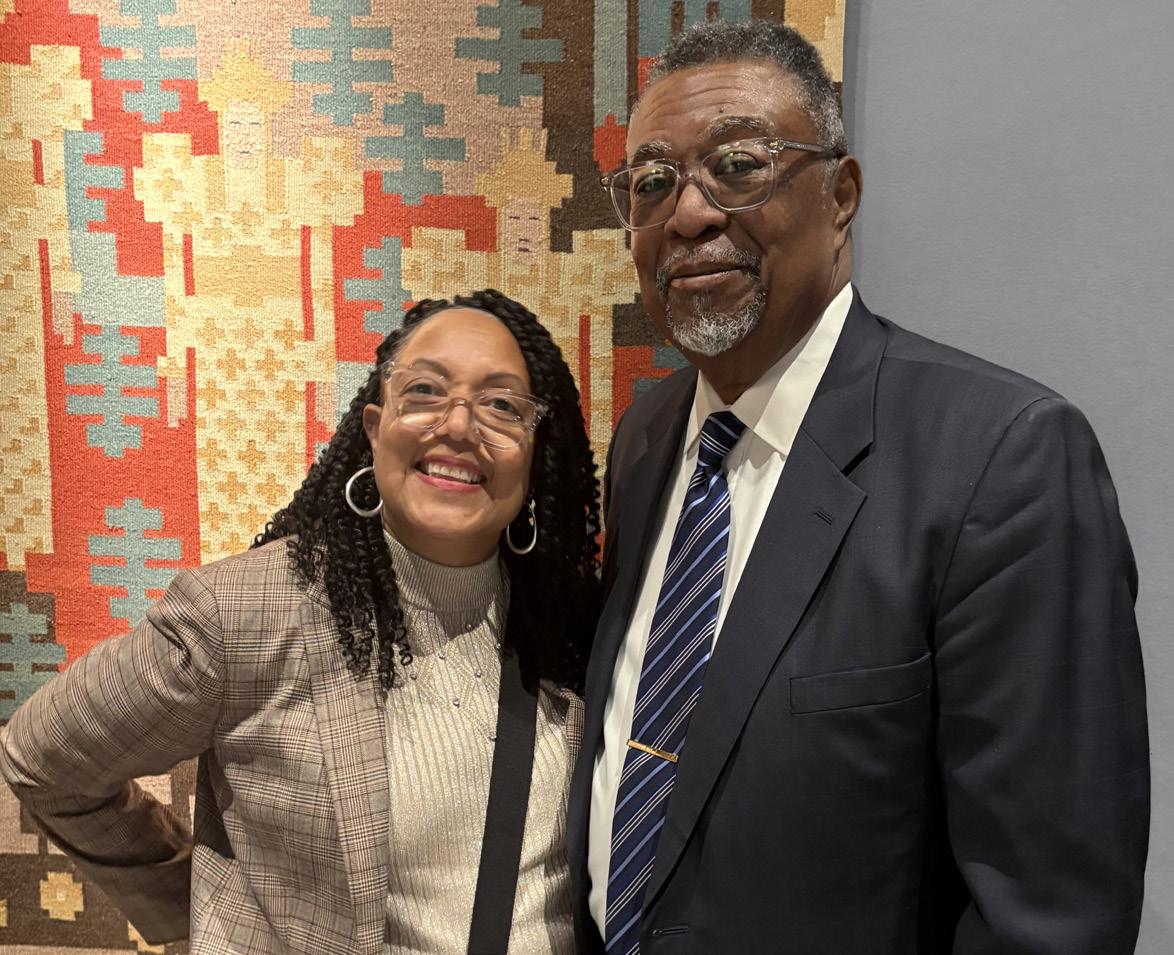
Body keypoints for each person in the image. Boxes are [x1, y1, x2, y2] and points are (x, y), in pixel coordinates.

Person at [568, 19, 1149, 954]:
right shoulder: (645, 441)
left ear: (840, 197)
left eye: (739, 165)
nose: (688, 214)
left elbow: (1051, 911)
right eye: (652, 182)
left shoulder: (1003, 458)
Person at [0, 289, 602, 955]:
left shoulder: (574, 625)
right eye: (425, 391)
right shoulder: (246, 613)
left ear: (534, 448)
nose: (459, 425)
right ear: (374, 426)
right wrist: (198, 907)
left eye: (502, 405)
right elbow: (43, 758)